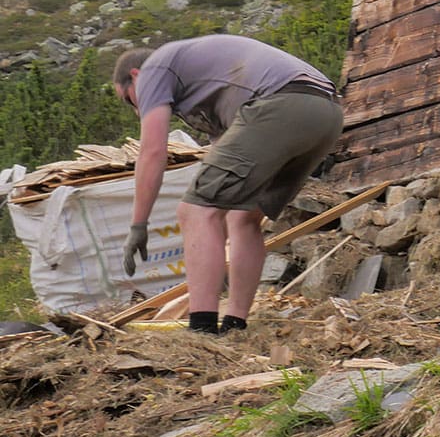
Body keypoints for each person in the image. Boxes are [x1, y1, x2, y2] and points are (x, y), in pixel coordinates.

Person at [112, 36, 343, 334]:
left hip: (280, 103)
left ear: (135, 76)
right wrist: (210, 255)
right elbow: (224, 174)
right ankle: (235, 325)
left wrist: (138, 224)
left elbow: (153, 151)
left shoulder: (154, 67)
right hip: (325, 112)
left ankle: (202, 331)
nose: (135, 110)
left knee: (194, 211)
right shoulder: (205, 87)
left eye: (128, 99)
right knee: (242, 217)